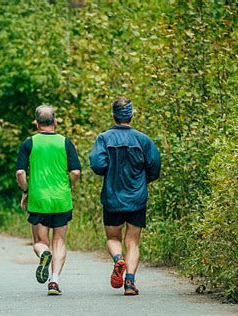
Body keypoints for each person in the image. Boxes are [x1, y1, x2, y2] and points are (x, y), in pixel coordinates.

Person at [89, 97, 160, 295]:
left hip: (112, 197)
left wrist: (109, 172)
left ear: (113, 115)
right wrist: (142, 182)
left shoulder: (104, 138)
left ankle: (118, 259)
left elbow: (97, 164)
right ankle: (129, 283)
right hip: (137, 198)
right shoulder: (143, 140)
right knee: (133, 242)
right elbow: (155, 167)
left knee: (113, 238)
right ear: (131, 115)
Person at [16, 104, 81, 296]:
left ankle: (44, 254)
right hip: (61, 200)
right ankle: (54, 281)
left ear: (36, 123)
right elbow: (75, 172)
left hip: (39, 200)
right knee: (59, 241)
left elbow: (20, 172)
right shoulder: (65, 142)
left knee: (40, 241)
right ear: (55, 121)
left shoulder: (29, 143)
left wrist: (26, 191)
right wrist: (69, 185)